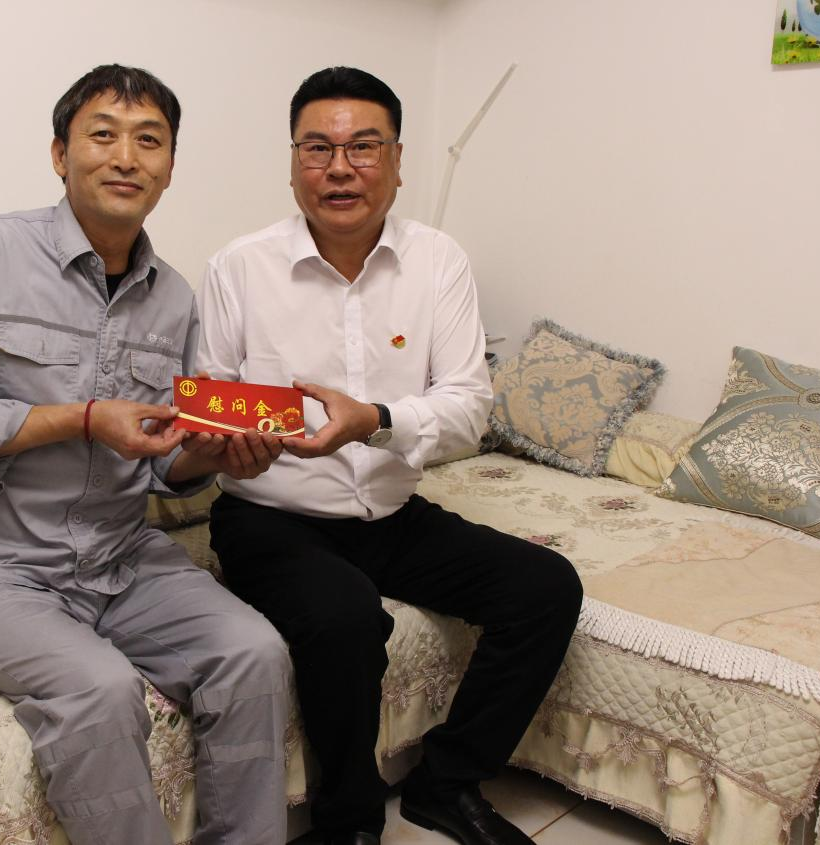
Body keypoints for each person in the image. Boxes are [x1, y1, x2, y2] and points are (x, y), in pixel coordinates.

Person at [0, 64, 291, 845]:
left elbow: (162, 468)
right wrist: (80, 419)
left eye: (148, 140)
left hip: (119, 557)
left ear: (169, 168)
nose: (125, 157)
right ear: (59, 154)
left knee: (255, 651)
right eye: (102, 135)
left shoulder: (174, 297)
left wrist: (216, 457)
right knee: (102, 688)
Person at [196, 67, 583, 845]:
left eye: (363, 147)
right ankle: (347, 823)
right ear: (293, 163)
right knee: (345, 616)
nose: (339, 168)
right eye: (317, 148)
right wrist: (224, 448)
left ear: (397, 161)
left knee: (545, 586)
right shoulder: (237, 266)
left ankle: (446, 782)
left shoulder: (438, 261)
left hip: (390, 511)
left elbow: (468, 408)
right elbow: (208, 405)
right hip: (272, 519)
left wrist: (373, 421)